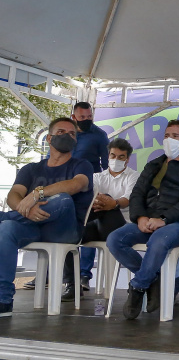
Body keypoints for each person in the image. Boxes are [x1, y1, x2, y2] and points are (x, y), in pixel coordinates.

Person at [106, 120, 179, 320]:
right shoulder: (154, 164)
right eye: (167, 135)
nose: (169, 139)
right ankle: (153, 279)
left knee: (158, 240)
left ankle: (138, 287)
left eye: (175, 136)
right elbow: (136, 195)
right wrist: (140, 217)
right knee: (114, 240)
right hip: (147, 221)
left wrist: (164, 218)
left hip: (177, 225)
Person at [1, 117, 93, 317]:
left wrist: (37, 194)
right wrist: (27, 209)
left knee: (63, 199)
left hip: (63, 230)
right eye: (61, 132)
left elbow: (76, 185)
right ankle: (3, 300)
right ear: (49, 138)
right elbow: (13, 195)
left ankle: (5, 217)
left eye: (72, 134)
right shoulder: (31, 169)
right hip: (32, 227)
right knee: (6, 229)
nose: (67, 136)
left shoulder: (82, 165)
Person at [62, 139, 140, 301]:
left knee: (110, 202)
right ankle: (72, 284)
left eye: (121, 157)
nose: (116, 159)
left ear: (127, 159)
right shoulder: (96, 177)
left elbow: (127, 200)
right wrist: (103, 202)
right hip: (97, 224)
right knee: (67, 233)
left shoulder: (134, 176)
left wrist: (113, 203)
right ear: (108, 155)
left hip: (121, 227)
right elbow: (89, 200)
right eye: (113, 155)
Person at [63, 102, 109, 295]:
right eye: (82, 118)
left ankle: (83, 275)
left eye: (89, 117)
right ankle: (51, 273)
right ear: (74, 117)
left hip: (89, 186)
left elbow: (106, 163)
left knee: (88, 226)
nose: (87, 120)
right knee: (61, 226)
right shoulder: (65, 133)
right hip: (63, 186)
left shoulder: (99, 135)